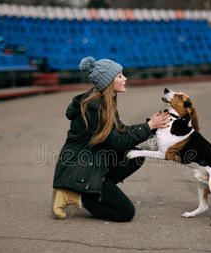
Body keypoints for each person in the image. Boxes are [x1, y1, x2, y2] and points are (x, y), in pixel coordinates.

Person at [52, 56, 171, 222]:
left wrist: (151, 125)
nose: (125, 78)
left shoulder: (104, 101)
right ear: (108, 82)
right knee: (126, 213)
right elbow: (117, 142)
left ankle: (93, 191)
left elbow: (120, 131)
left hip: (91, 161)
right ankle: (82, 195)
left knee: (134, 156)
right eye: (120, 76)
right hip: (79, 168)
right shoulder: (95, 107)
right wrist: (149, 126)